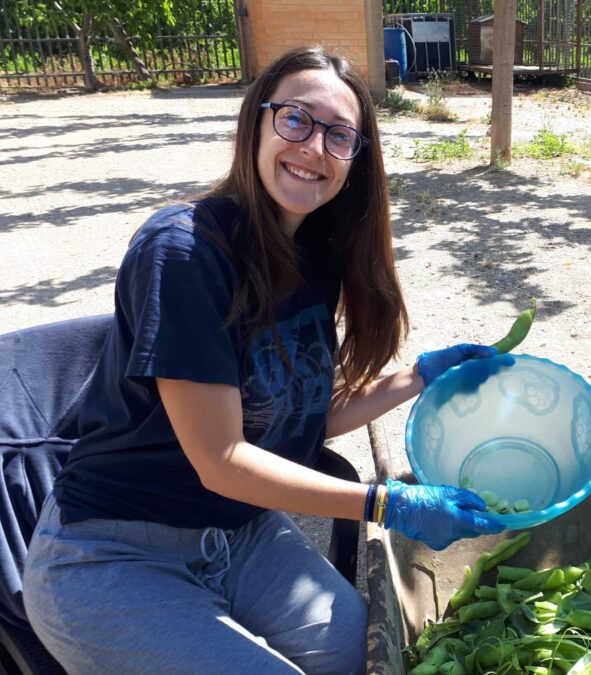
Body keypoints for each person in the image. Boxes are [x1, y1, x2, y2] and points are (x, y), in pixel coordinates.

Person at [22, 46, 503, 675]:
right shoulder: (186, 252)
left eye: (339, 136)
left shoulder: (317, 254)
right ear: (257, 121)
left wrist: (419, 377)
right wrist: (386, 503)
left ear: (355, 161)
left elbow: (297, 419)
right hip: (112, 549)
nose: (313, 148)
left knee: (362, 650)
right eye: (296, 120)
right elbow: (222, 460)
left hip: (239, 534)